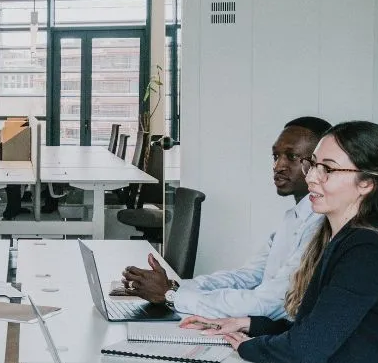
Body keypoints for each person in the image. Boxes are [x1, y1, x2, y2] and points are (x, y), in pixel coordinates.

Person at [182, 120, 378, 363]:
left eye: (328, 170)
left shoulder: (367, 247)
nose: (312, 177)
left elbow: (308, 349)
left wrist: (249, 347)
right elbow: (315, 330)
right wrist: (249, 324)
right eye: (314, 165)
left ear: (366, 183)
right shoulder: (339, 236)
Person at [121, 116, 331, 319]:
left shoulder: (320, 226)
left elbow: (272, 303)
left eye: (292, 157)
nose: (278, 166)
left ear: (320, 164)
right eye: (276, 156)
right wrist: (174, 287)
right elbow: (247, 278)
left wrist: (172, 295)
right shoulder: (293, 218)